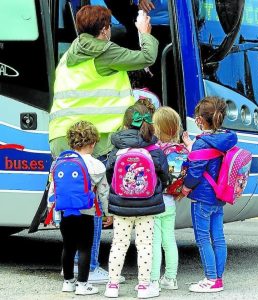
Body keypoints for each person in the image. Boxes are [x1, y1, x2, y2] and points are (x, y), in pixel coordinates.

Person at [48, 5, 159, 283]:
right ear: (105, 29)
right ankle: (90, 267)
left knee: (71, 205)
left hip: (62, 136)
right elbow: (147, 56)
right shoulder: (103, 51)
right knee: (93, 206)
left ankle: (72, 266)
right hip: (91, 140)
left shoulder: (70, 54)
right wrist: (143, 32)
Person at [104, 104, 169, 298]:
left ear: (125, 123)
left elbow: (110, 174)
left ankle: (112, 286)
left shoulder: (117, 148)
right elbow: (164, 175)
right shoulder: (154, 149)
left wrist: (118, 191)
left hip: (122, 204)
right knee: (145, 246)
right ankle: (143, 287)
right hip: (147, 205)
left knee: (119, 244)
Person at [176, 97, 238, 293]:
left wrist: (185, 188)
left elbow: (195, 171)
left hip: (202, 197)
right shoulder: (225, 138)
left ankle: (210, 279)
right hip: (219, 196)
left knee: (203, 239)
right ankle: (218, 278)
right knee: (218, 238)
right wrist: (190, 145)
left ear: (200, 120)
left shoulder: (203, 143)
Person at [49, 121, 112, 295]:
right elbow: (104, 193)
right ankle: (83, 286)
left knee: (68, 247)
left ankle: (68, 282)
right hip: (87, 213)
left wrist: (51, 211)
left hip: (65, 212)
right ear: (93, 143)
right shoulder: (97, 166)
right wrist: (108, 213)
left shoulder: (59, 162)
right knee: (85, 248)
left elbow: (53, 189)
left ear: (71, 142)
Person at [149, 107, 183, 290]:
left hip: (155, 201)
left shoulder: (155, 150)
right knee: (169, 240)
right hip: (171, 201)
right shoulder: (181, 149)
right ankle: (170, 278)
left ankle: (153, 279)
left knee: (154, 242)